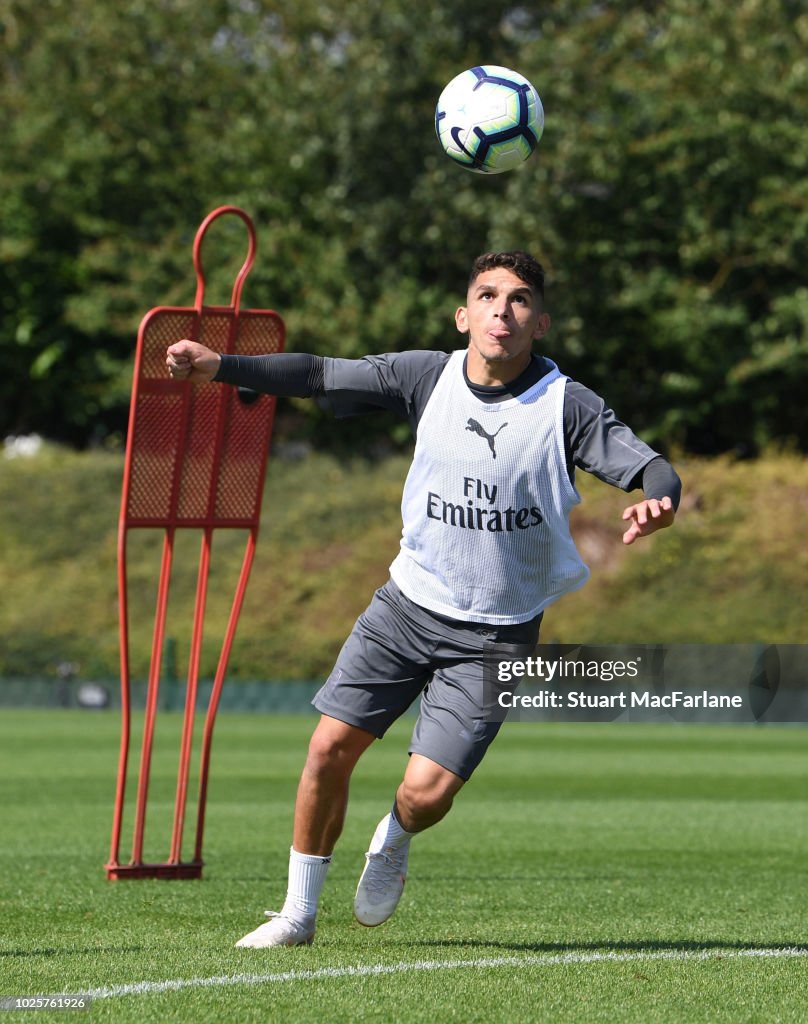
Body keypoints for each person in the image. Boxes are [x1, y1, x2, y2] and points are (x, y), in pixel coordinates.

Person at [165, 250, 681, 949]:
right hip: (404, 609)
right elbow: (319, 374)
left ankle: (395, 837)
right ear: (463, 315)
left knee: (424, 795)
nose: (504, 309)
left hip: (496, 636)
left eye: (521, 299)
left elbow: (648, 464)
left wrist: (659, 500)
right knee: (326, 750)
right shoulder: (425, 376)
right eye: (488, 295)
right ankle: (296, 914)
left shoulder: (566, 406)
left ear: (541, 322)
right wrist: (218, 364)